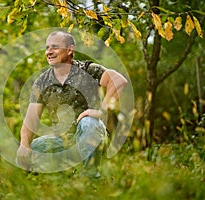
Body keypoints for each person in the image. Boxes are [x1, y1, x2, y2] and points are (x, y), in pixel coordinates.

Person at [16, 31, 128, 177]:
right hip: (62, 142)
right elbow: (30, 122)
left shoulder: (88, 69)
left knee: (89, 122)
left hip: (94, 136)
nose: (49, 52)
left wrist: (102, 111)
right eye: (47, 48)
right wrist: (24, 145)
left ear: (70, 50)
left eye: (54, 47)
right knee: (27, 151)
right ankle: (44, 186)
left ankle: (91, 179)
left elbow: (119, 81)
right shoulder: (42, 82)